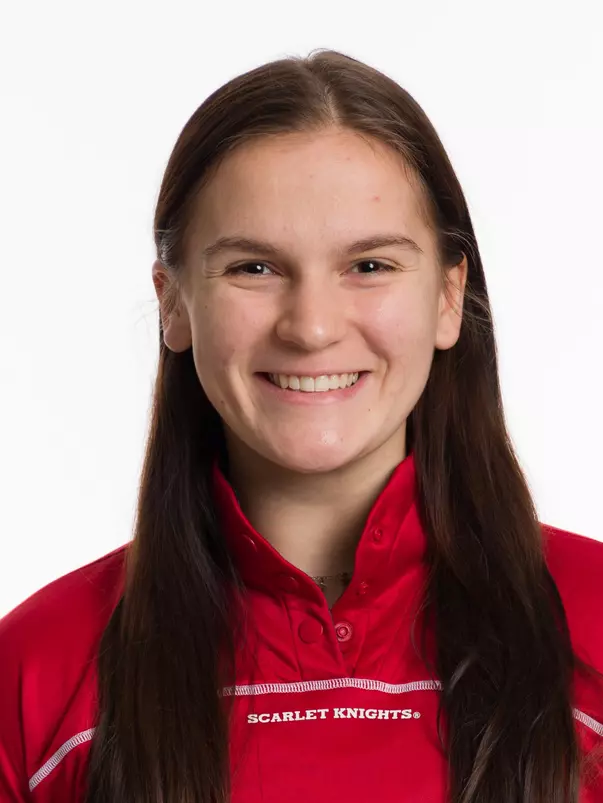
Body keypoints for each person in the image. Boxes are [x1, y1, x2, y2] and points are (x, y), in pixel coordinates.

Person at [1, 48, 602, 803]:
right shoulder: (34, 672)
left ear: (448, 296)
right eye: (254, 267)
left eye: (370, 265)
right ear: (174, 302)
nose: (312, 327)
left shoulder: (594, 627)